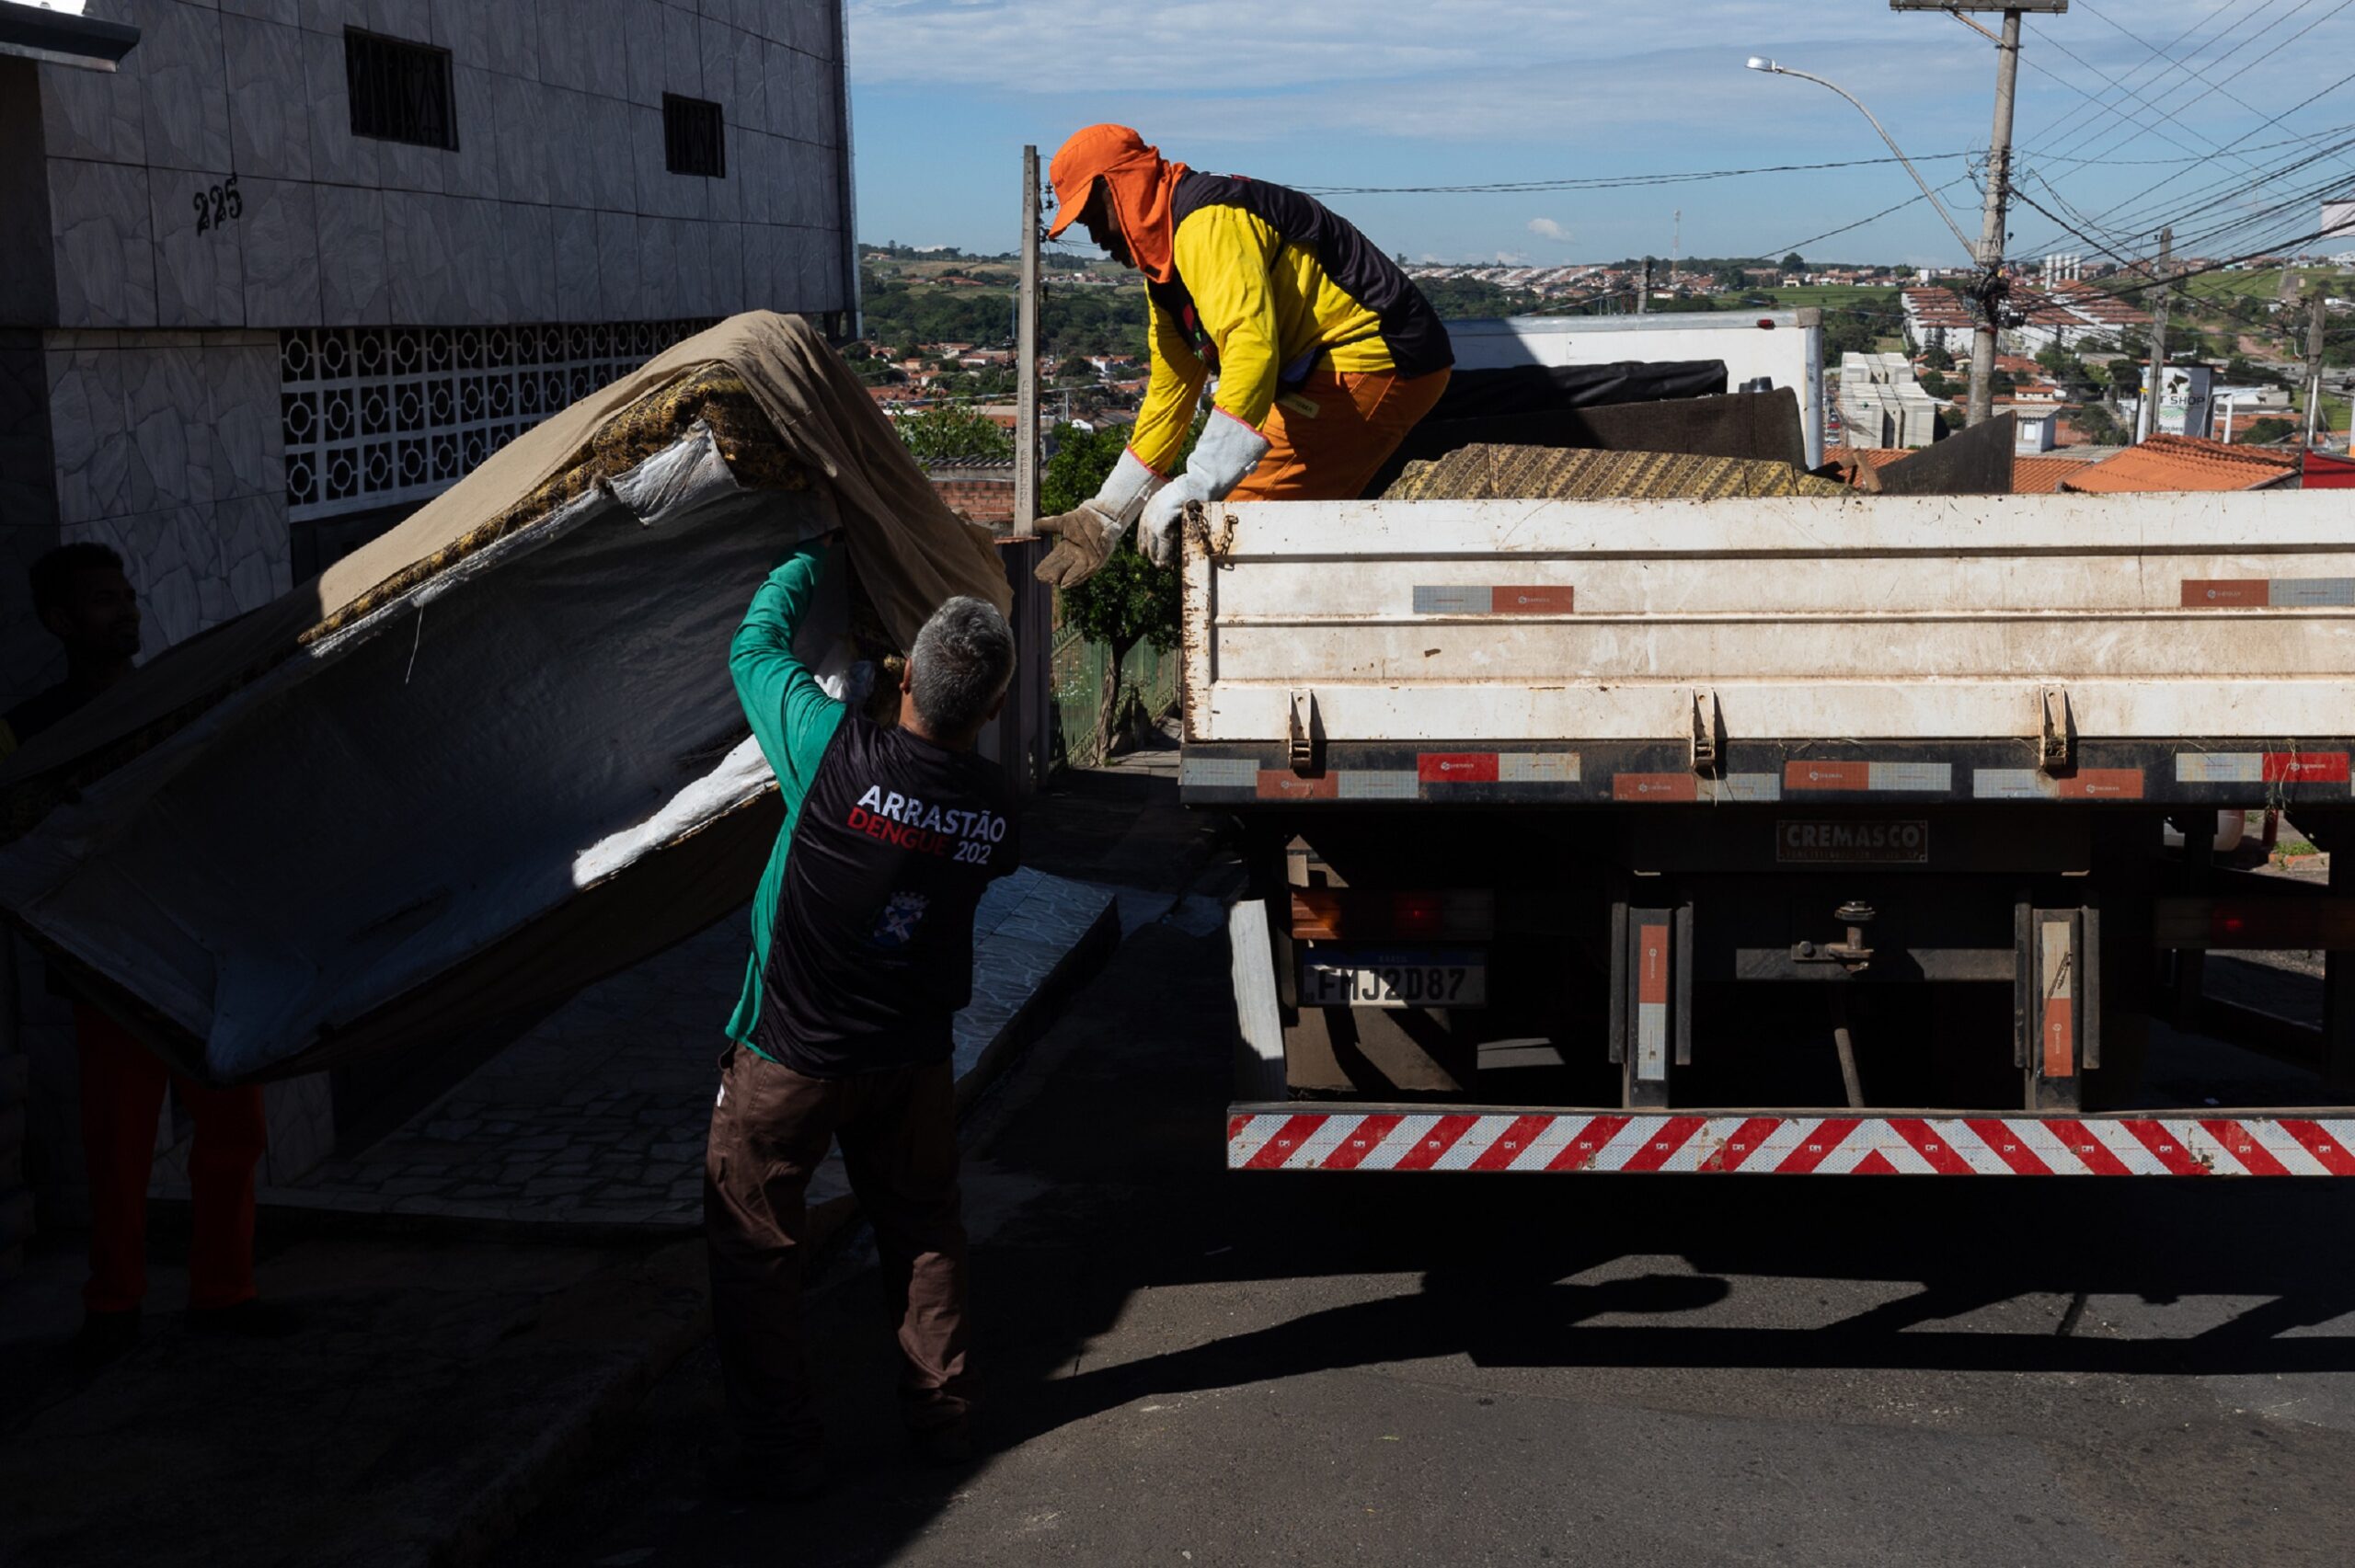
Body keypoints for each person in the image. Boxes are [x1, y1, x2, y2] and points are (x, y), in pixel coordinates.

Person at [704, 536, 1020, 1500]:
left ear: (901, 677)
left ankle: (783, 1447)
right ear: (997, 709)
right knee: (924, 1231)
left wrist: (813, 553)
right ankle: (941, 1413)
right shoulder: (1001, 815)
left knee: (756, 1247)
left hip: (787, 1055)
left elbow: (753, 651)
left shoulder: (827, 752)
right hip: (909, 1059)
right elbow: (935, 802)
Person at [5, 544, 281, 1369]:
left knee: (233, 1127)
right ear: (58, 621)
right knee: (118, 1147)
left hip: (201, 951)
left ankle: (223, 1293)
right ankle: (113, 1305)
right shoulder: (26, 736)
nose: (123, 610)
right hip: (109, 969)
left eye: (126, 593)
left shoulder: (173, 698)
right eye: (99, 599)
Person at [1032, 123, 1455, 589]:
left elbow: (1252, 352)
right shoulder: (1167, 275)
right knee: (1236, 522)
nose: (1094, 237)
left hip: (1379, 358)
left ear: (1120, 187)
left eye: (1093, 215)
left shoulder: (1208, 222)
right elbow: (1169, 396)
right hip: (1332, 368)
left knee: (1234, 526)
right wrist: (1106, 513)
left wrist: (1197, 483)